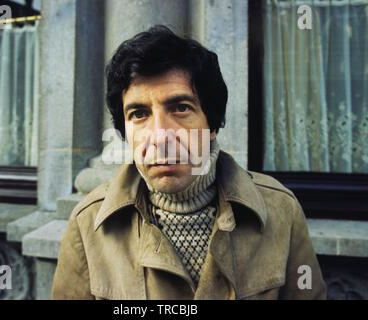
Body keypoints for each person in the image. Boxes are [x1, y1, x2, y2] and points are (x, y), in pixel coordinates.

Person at [51, 25, 326, 300]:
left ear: (212, 124)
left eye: (181, 108)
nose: (159, 136)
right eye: (139, 114)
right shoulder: (88, 224)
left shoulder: (280, 211)